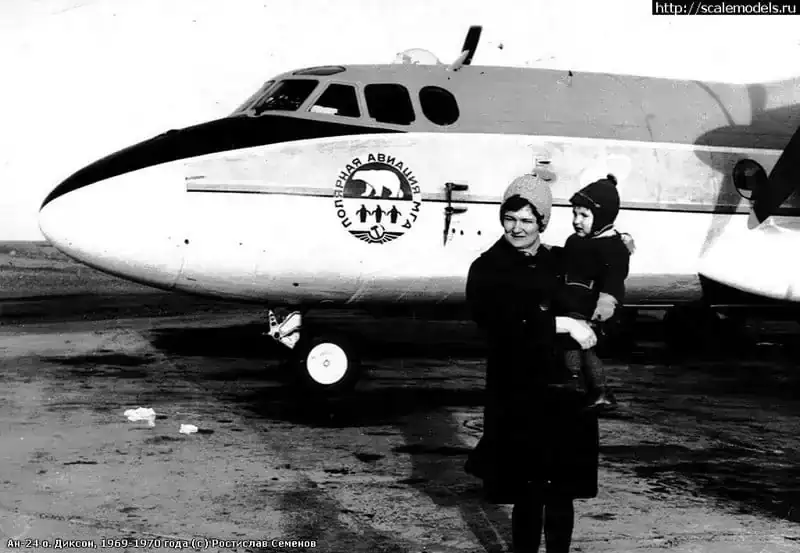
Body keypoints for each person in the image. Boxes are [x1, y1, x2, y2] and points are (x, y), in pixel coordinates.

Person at [464, 173, 605, 553]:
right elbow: (496, 323)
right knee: (526, 493)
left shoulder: (560, 260)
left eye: (527, 220)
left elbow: (598, 277)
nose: (517, 228)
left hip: (565, 393)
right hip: (518, 393)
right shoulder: (487, 267)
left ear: (542, 221)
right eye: (509, 219)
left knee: (561, 492)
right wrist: (560, 324)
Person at [552, 173, 631, 410]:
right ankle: (595, 390)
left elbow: (615, 279)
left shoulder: (613, 248)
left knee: (576, 345)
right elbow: (565, 261)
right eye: (574, 214)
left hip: (590, 308)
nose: (577, 221)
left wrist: (606, 303)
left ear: (602, 217)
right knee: (578, 347)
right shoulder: (575, 241)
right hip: (570, 303)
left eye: (584, 215)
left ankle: (578, 385)